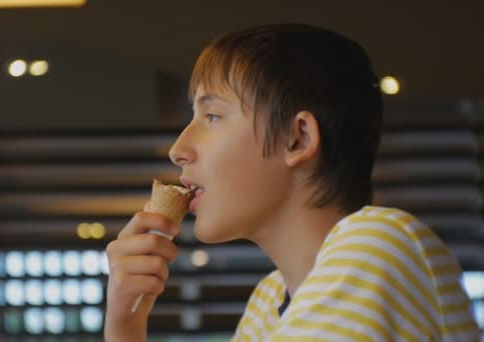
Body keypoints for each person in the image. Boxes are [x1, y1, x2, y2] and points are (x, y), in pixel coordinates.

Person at [104, 23, 480, 341]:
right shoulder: (269, 302)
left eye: (213, 116)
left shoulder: (378, 242)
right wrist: (125, 325)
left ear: (297, 138)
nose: (178, 149)